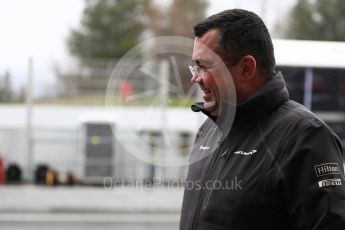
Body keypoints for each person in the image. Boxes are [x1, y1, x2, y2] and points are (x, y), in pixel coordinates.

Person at [180, 9, 345, 230]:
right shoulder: (208, 130)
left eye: (204, 66)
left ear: (246, 68)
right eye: (195, 66)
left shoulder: (306, 137)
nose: (194, 77)